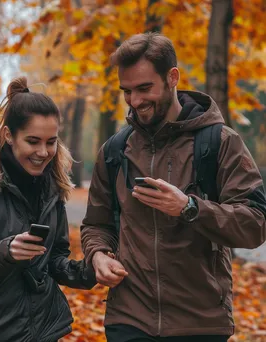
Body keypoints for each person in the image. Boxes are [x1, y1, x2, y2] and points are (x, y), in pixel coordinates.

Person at [81, 32, 266, 342]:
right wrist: (98, 255)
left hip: (200, 322)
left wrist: (190, 208)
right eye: (126, 91)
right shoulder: (114, 151)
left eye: (144, 88)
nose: (135, 101)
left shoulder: (219, 143)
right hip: (129, 319)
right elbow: (96, 224)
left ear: (172, 77)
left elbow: (256, 224)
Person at [0, 76, 96, 342]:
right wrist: (7, 251)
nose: (43, 151)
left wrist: (92, 269)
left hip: (44, 330)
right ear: (9, 135)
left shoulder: (53, 188)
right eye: (33, 141)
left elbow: (55, 259)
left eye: (51, 142)